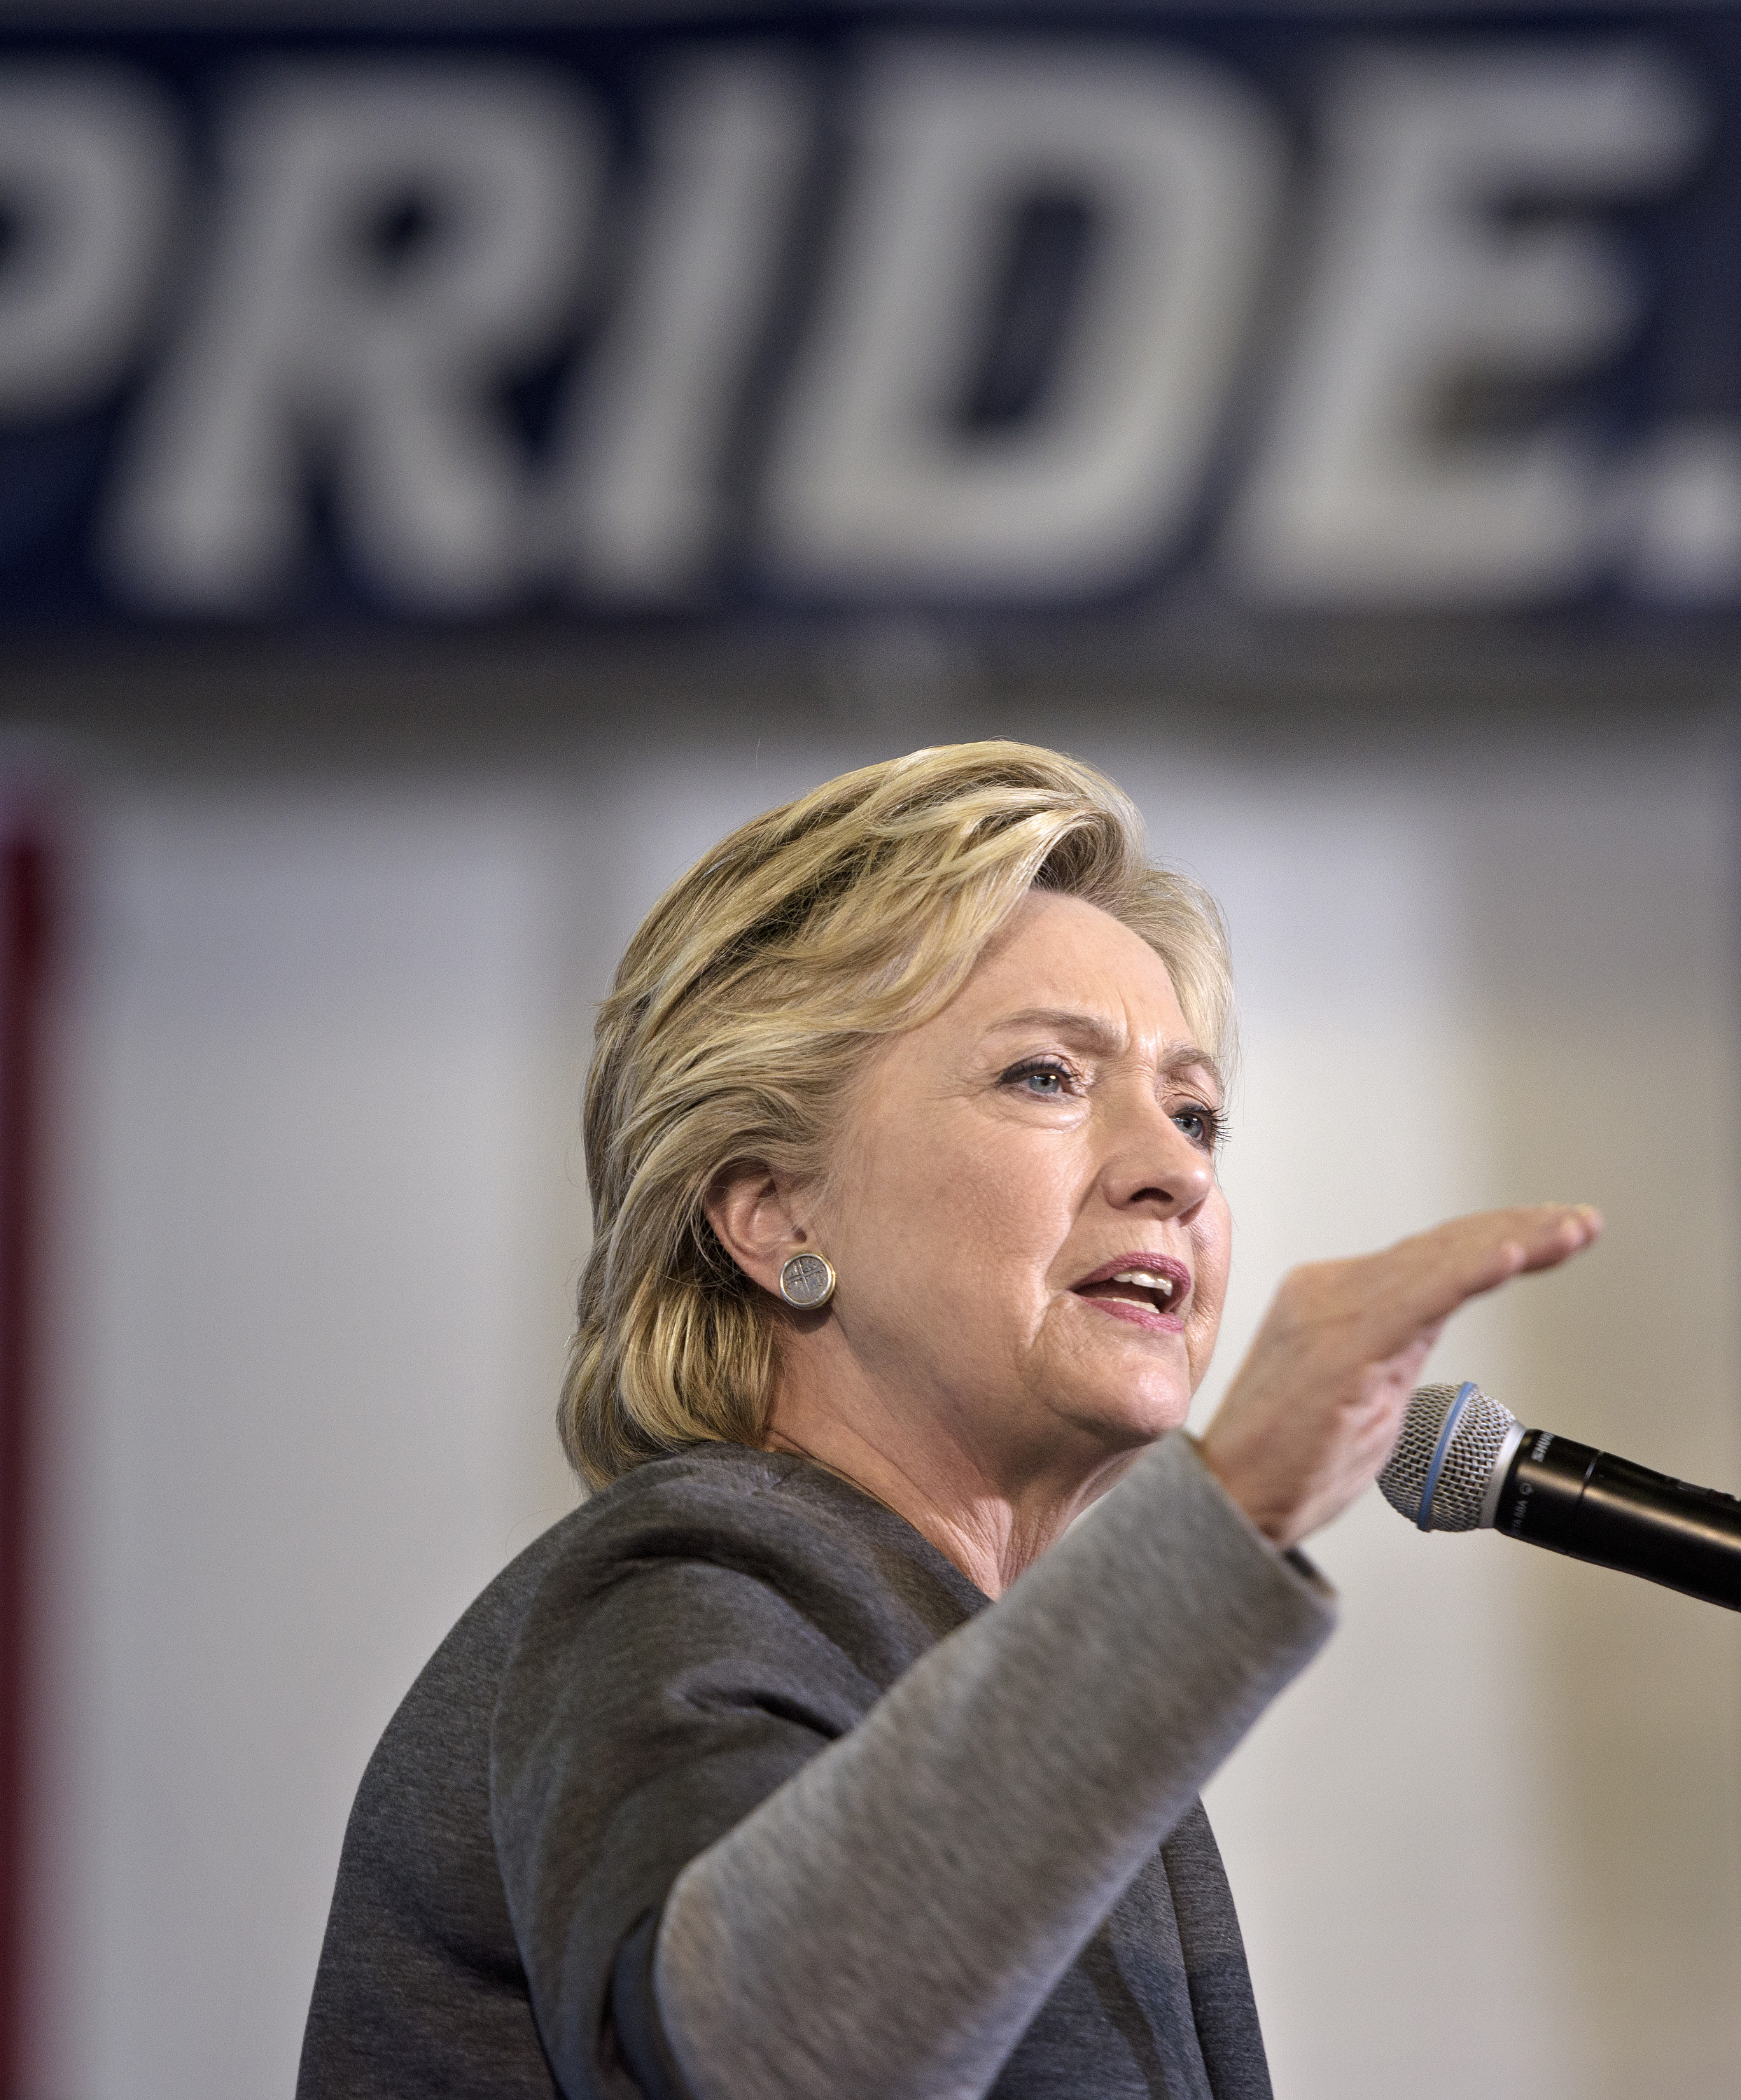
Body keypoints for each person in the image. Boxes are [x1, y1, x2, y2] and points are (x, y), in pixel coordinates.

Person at [296, 743, 1596, 2099]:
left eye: (1197, 1112)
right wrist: (1230, 1513)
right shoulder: (680, 1593)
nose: (1175, 1173)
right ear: (774, 1211)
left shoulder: (1014, 1693)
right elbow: (763, 2055)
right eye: (1046, 1077)